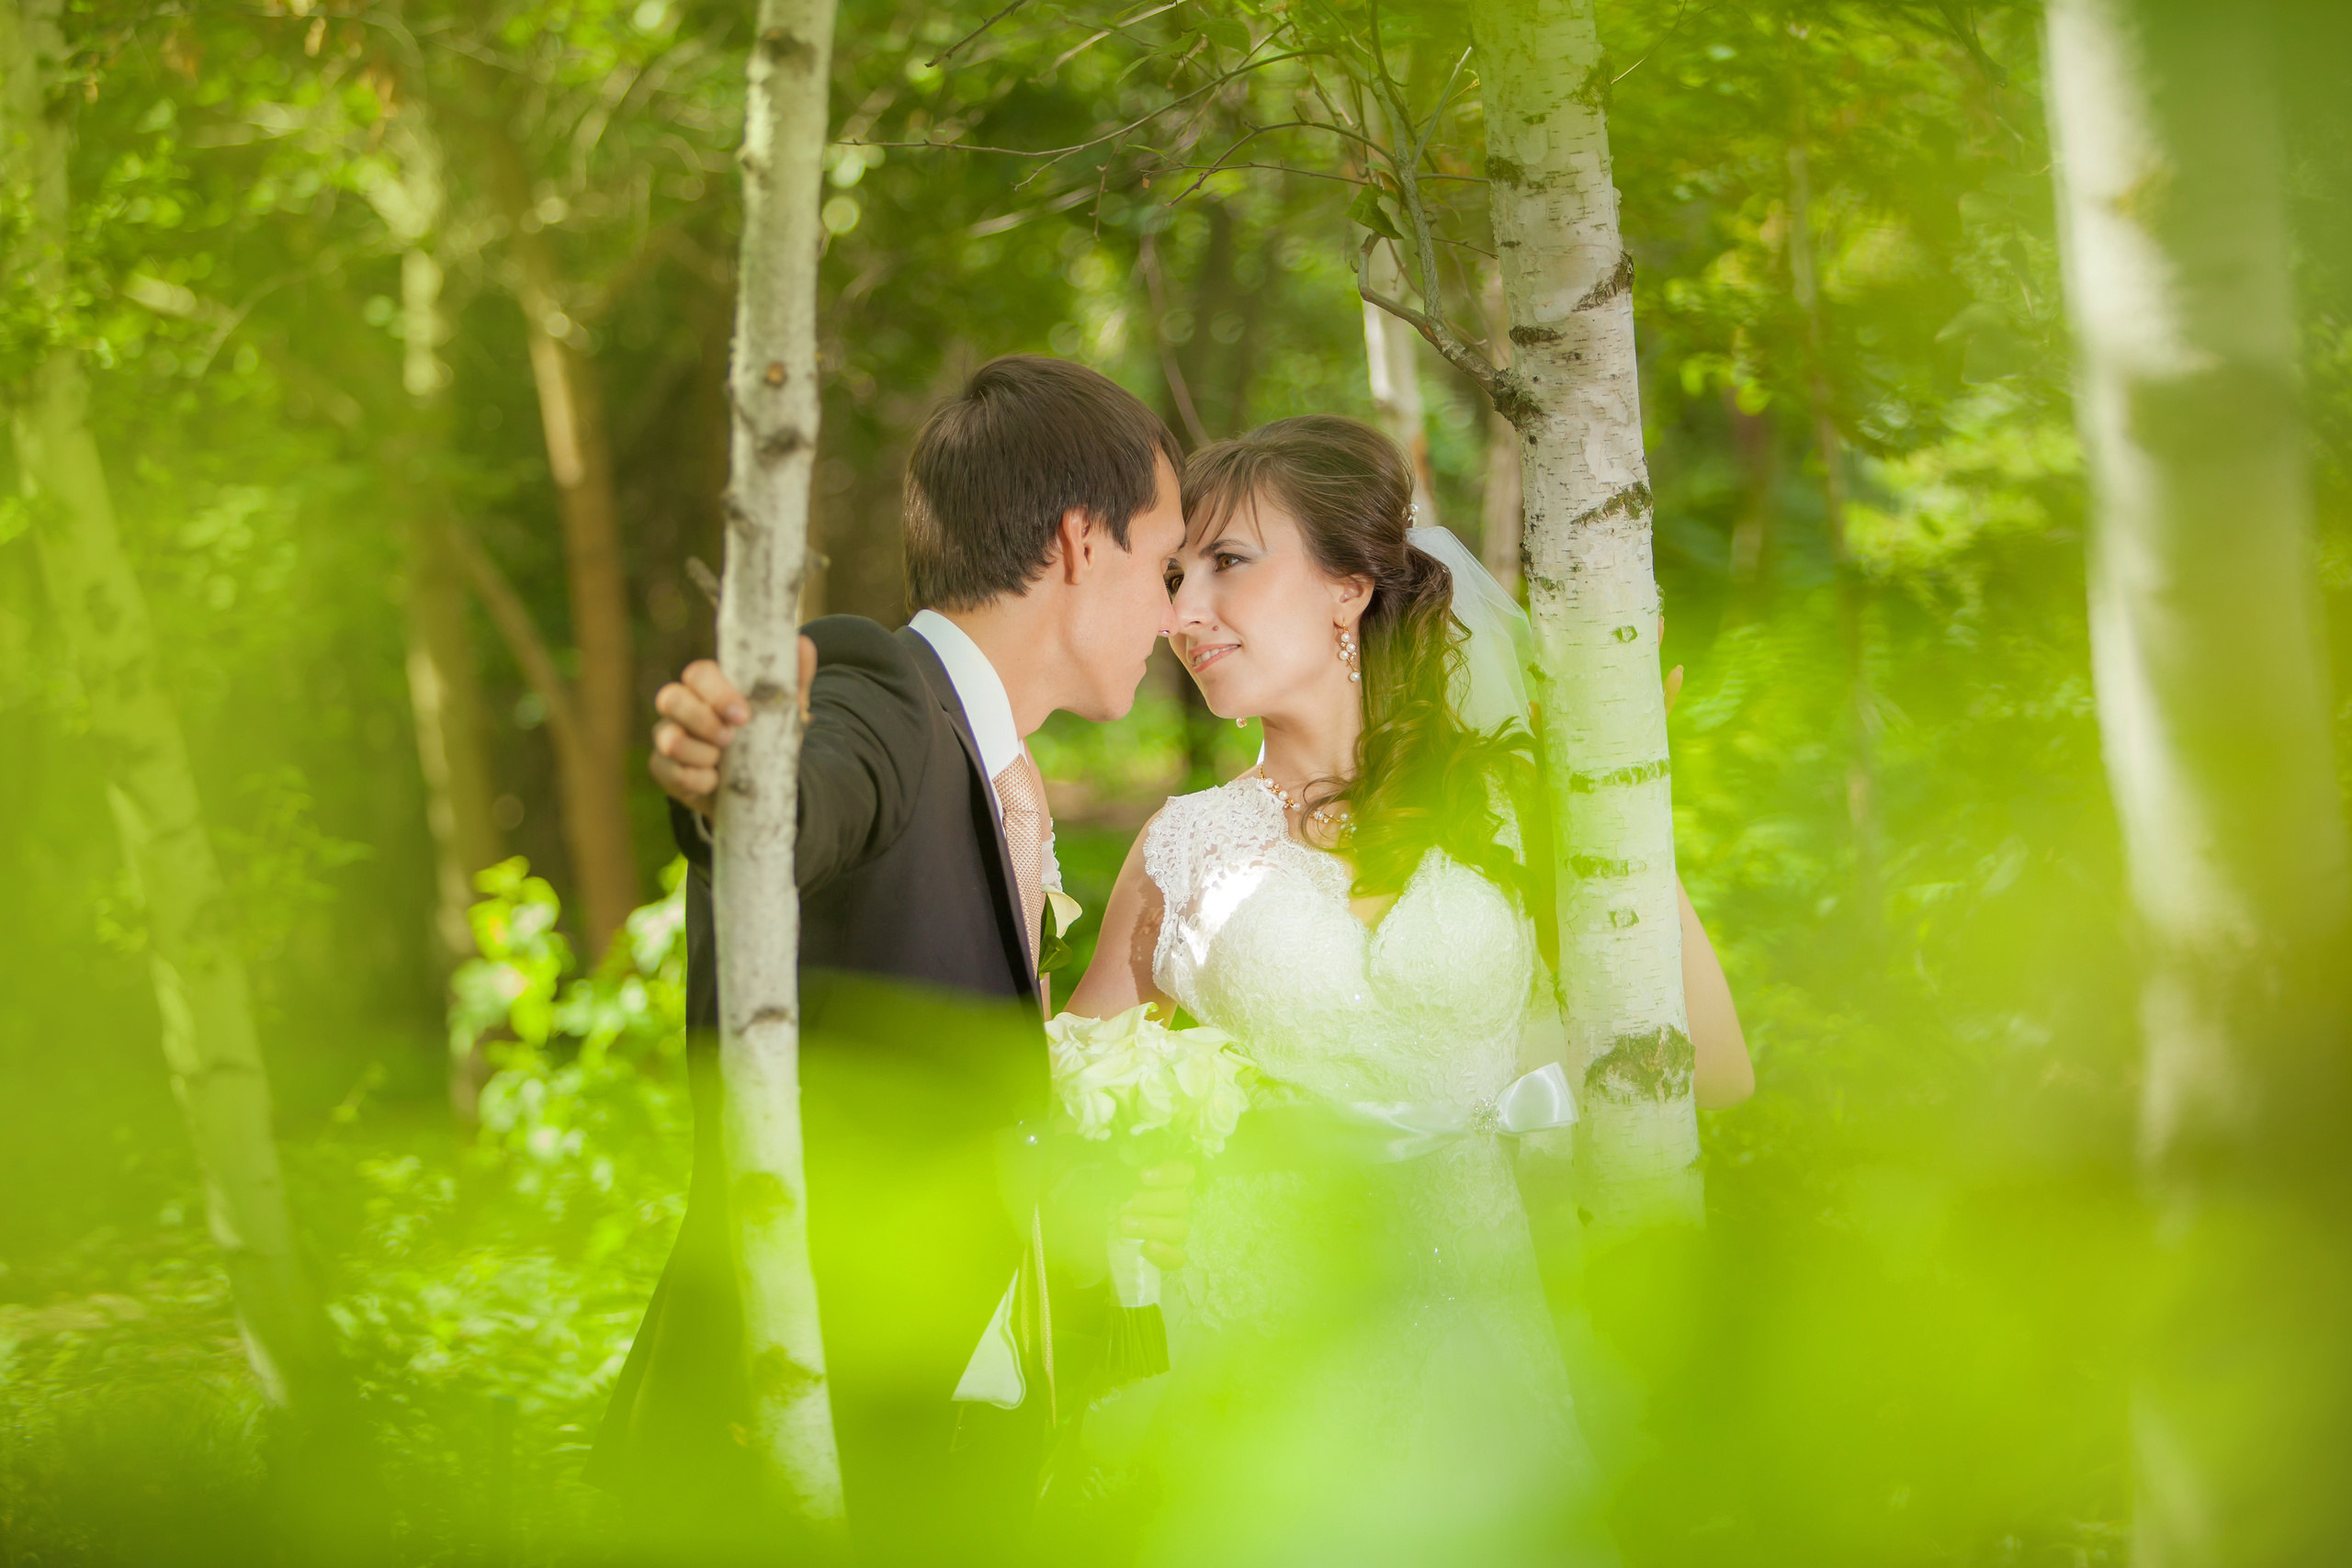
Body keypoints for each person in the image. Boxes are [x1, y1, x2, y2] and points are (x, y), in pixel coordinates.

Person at [1056, 415, 1751, 1563]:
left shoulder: (1512, 812)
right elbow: (1063, 1116)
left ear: (1348, 589)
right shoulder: (1181, 847)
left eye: (1228, 563)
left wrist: (1613, 809)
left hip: (1486, 1362)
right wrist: (1140, 1186)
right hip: (1250, 1354)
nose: (1184, 613)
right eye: (1176, 577)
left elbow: (1712, 1066)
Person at [594, 355, 1194, 1563]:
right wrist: (735, 772)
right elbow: (800, 797)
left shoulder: (1001, 770)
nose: (1175, 614)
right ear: (1082, 544)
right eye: (1165, 566)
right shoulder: (881, 695)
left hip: (943, 1447)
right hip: (790, 1448)